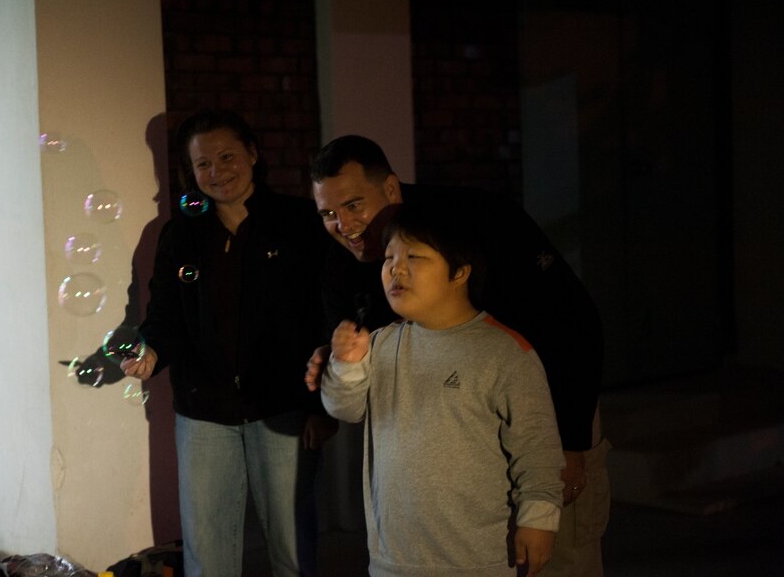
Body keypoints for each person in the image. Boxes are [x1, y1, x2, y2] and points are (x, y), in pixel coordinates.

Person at [305, 135, 610, 577]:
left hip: (545, 409)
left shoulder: (474, 221)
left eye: (354, 206)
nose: (345, 225)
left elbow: (572, 323)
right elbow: (352, 359)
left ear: (390, 188)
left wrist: (571, 441)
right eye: (328, 214)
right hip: (437, 473)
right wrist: (339, 361)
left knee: (554, 556)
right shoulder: (343, 260)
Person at [121, 109, 337, 577]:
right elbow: (164, 317)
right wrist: (151, 352)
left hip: (282, 408)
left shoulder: (298, 223)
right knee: (207, 556)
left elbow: (323, 317)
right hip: (204, 414)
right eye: (203, 164)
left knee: (292, 552)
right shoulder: (180, 234)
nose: (216, 172)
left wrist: (321, 407)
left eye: (226, 157)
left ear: (253, 154)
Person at [322, 202, 565, 576]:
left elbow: (537, 449)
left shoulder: (505, 353)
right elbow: (345, 408)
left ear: (460, 272)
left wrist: (539, 520)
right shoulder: (381, 344)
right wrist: (346, 364)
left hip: (476, 561)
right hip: (392, 559)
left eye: (414, 256)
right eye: (389, 258)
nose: (396, 269)